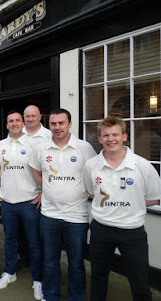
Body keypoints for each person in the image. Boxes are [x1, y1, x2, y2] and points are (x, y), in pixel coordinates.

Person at [83, 116, 161, 301]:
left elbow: (153, 198)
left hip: (132, 232)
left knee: (140, 282)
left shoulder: (142, 165)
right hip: (101, 229)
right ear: (100, 139)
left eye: (115, 134)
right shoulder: (91, 165)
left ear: (125, 136)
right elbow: (92, 192)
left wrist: (131, 203)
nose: (111, 139)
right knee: (98, 277)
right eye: (106, 135)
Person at [30, 108, 96, 301]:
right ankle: (51, 295)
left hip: (76, 217)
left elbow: (94, 173)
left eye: (61, 123)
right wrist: (47, 188)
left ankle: (75, 297)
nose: (57, 127)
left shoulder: (84, 148)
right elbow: (35, 169)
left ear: (70, 124)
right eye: (53, 123)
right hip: (49, 215)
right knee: (50, 261)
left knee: (76, 263)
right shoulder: (41, 148)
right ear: (48, 125)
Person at [0, 111, 43, 300]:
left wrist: (43, 192)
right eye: (10, 121)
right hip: (7, 202)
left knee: (34, 243)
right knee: (9, 241)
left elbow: (42, 170)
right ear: (6, 125)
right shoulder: (1, 145)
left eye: (17, 121)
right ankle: (10, 272)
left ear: (23, 123)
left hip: (29, 202)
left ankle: (38, 279)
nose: (14, 124)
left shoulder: (33, 145)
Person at [17, 105, 52, 270]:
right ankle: (25, 259)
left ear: (39, 117)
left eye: (33, 116)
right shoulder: (17, 134)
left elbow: (52, 168)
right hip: (19, 193)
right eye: (27, 116)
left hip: (38, 195)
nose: (30, 119)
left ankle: (39, 266)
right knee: (21, 234)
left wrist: (44, 192)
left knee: (38, 235)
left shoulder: (48, 136)